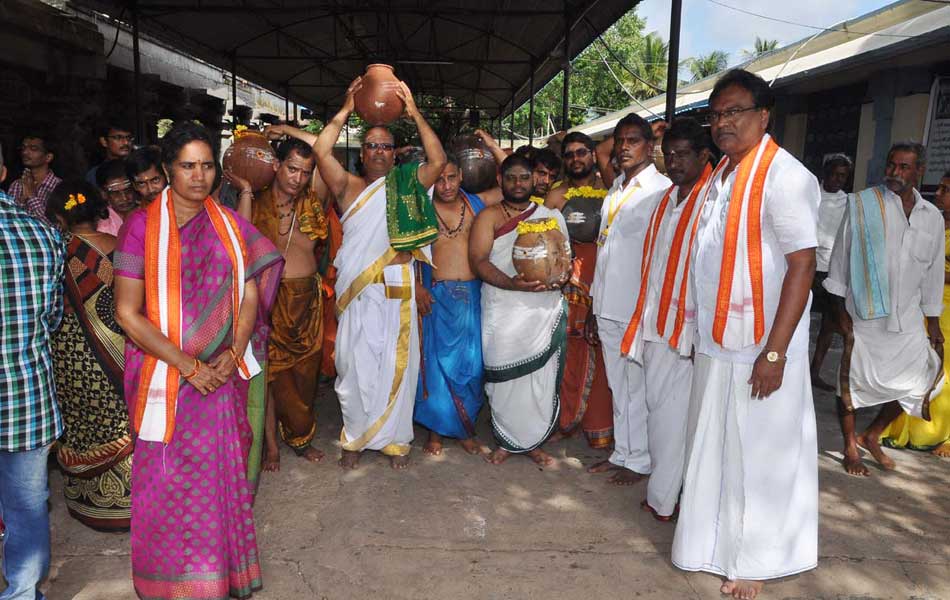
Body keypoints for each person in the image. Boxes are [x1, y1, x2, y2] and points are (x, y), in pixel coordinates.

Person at [114, 121, 283, 599]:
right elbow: (128, 313)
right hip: (164, 377)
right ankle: (168, 584)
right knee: (164, 484)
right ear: (168, 169)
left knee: (215, 480)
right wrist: (189, 366)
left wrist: (233, 352)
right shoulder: (141, 227)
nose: (198, 175)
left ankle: (215, 580)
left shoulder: (230, 225)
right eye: (187, 166)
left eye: (207, 165)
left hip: (220, 377)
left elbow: (250, 292)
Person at [671, 69, 819, 600]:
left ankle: (755, 559)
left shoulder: (786, 176)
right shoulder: (722, 175)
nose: (722, 123)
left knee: (757, 452)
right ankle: (709, 546)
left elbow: (803, 265)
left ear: (763, 115)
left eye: (733, 112)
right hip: (719, 341)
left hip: (762, 345)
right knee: (712, 445)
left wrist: (774, 353)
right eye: (715, 115)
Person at [315, 77, 446, 470]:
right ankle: (355, 438)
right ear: (362, 152)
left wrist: (414, 113)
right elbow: (321, 150)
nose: (377, 152)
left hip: (398, 288)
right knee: (353, 367)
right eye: (370, 145)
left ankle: (394, 441)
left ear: (394, 154)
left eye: (385, 146)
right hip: (357, 293)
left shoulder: (407, 184)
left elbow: (438, 162)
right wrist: (345, 108)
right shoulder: (348, 187)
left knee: (397, 365)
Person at [824, 142, 944, 476]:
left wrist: (932, 321)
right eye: (891, 165)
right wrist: (840, 314)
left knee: (920, 380)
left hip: (906, 318)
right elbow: (839, 260)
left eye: (904, 167)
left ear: (919, 171)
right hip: (864, 316)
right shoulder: (863, 205)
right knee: (851, 384)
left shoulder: (931, 217)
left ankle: (871, 434)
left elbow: (933, 271)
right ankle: (850, 446)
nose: (894, 173)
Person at [619, 117, 715, 521]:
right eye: (669, 154)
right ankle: (668, 494)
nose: (673, 162)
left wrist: (697, 332)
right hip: (657, 322)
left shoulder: (714, 200)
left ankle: (665, 500)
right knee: (662, 414)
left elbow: (710, 272)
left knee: (673, 421)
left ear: (704, 155)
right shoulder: (668, 199)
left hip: (688, 331)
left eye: (682, 155)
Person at [234, 133, 329, 470]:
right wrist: (246, 189)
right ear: (276, 165)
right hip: (268, 301)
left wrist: (290, 128)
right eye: (291, 169)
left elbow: (323, 145)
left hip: (307, 304)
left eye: (305, 172)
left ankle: (300, 437)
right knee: (271, 376)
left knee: (305, 380)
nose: (298, 178)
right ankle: (271, 445)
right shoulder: (256, 201)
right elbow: (240, 238)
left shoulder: (314, 200)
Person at [586, 113, 671, 485]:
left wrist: (647, 309)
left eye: (633, 140)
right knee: (618, 386)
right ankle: (623, 451)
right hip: (607, 304)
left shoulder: (661, 190)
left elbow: (661, 257)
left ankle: (640, 461)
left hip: (637, 308)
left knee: (637, 388)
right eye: (620, 140)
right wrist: (593, 304)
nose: (623, 147)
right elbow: (606, 252)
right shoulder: (616, 187)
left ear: (650, 147)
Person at [470, 154, 568, 466]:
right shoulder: (488, 217)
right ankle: (506, 440)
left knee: (539, 378)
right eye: (510, 178)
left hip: (541, 310)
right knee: (503, 379)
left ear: (534, 180)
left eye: (524, 178)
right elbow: (479, 261)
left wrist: (559, 278)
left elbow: (564, 256)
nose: (517, 184)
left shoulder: (550, 216)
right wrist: (512, 285)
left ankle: (532, 442)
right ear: (500, 180)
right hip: (503, 308)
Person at [45, 180, 132, 531]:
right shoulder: (122, 246)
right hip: (119, 353)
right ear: (99, 210)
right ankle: (131, 505)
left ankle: (90, 506)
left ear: (58, 218)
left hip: (70, 362)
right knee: (123, 420)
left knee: (81, 425)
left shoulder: (53, 253)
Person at [0, 141, 65, 600]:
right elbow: (53, 318)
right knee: (25, 506)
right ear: (3, 170)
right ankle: (21, 593)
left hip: (26, 397)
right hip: (25, 397)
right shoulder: (43, 235)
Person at [414, 154, 490, 456]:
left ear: (462, 176)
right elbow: (407, 252)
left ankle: (464, 430)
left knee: (471, 368)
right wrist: (418, 286)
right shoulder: (421, 208)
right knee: (434, 368)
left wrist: (488, 145)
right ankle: (435, 432)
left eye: (452, 177)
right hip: (436, 295)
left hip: (472, 295)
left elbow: (514, 179)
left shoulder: (476, 205)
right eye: (439, 178)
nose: (445, 185)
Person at [542, 132, 613, 449]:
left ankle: (600, 427)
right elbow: (544, 244)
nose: (575, 159)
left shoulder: (611, 189)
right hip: (568, 282)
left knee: (602, 350)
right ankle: (565, 420)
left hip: (606, 277)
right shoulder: (556, 196)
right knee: (567, 353)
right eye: (569, 154)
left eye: (581, 152)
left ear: (593, 154)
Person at [880, 170, 950, 457]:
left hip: (946, 309)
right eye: (941, 187)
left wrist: (935, 273)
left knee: (942, 372)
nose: (940, 193)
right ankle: (899, 430)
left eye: (946, 189)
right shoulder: (932, 220)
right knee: (913, 367)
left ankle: (939, 436)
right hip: (921, 305)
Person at [811, 154, 853, 390]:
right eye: (834, 174)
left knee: (830, 324)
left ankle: (815, 371)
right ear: (825, 173)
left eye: (843, 176)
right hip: (806, 267)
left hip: (832, 271)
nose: (838, 180)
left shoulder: (848, 203)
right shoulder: (811, 195)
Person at [8, 132, 61, 224]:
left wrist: (32, 197)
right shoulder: (16, 185)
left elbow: (56, 228)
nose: (25, 152)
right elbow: (9, 221)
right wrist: (22, 200)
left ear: (48, 157)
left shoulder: (59, 187)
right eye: (23, 148)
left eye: (33, 148)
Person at [95, 159, 140, 235]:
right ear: (104, 193)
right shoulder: (103, 228)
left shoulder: (149, 211)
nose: (124, 198)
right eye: (116, 193)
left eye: (127, 190)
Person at [86, 121, 133, 185]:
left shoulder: (138, 167)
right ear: (104, 141)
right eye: (118, 138)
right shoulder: (94, 175)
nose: (126, 142)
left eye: (128, 138)